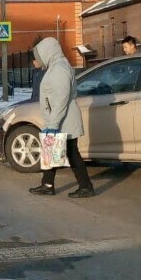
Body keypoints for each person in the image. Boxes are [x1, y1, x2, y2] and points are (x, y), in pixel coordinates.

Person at [29, 37, 96, 198]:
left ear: (47, 53)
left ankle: (85, 186)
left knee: (72, 153)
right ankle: (47, 185)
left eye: (38, 56)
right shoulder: (56, 67)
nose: (37, 60)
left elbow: (60, 99)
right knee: (53, 151)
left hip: (64, 119)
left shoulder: (59, 69)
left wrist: (53, 123)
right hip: (61, 119)